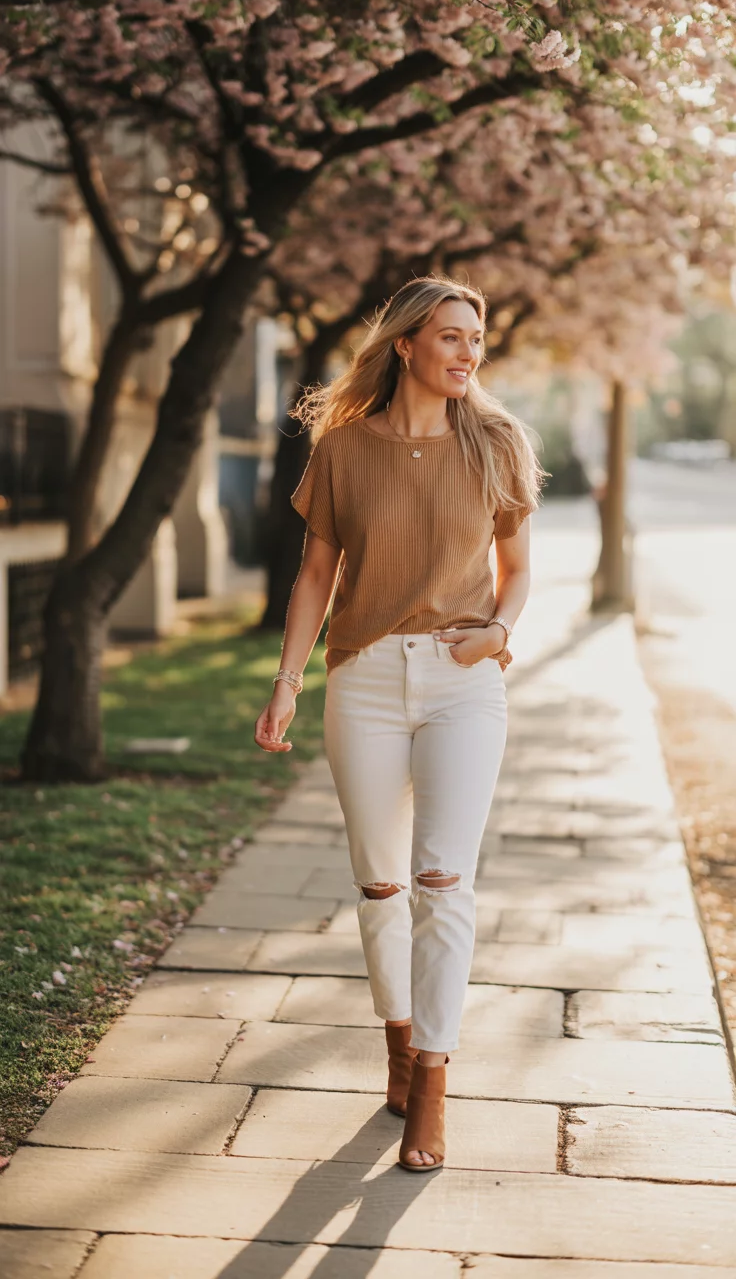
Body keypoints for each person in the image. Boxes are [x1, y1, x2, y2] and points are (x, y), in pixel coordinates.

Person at [255, 275, 543, 1172]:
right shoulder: (344, 448)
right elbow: (315, 575)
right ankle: (396, 1036)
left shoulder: (497, 441)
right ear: (408, 344)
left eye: (476, 338)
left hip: (463, 682)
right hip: (366, 680)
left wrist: (497, 631)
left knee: (442, 881)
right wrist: (289, 681)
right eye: (451, 336)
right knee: (381, 883)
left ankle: (431, 1083)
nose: (468, 353)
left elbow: (518, 568)